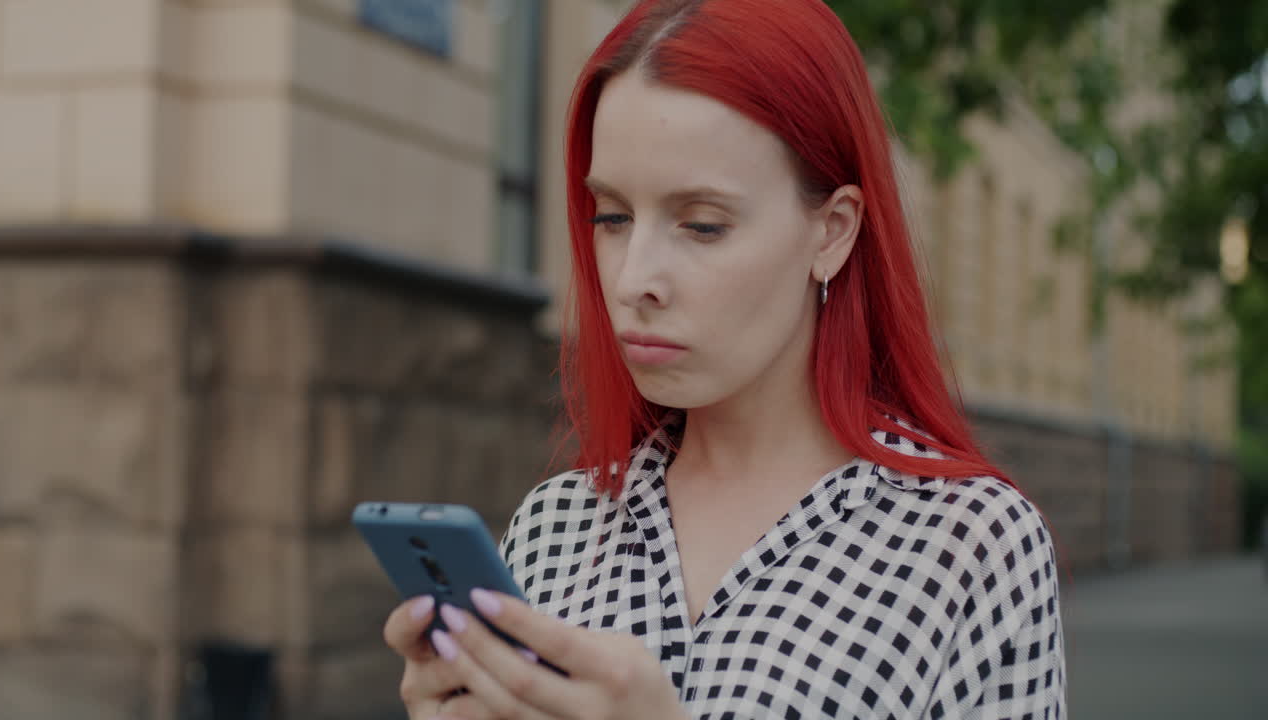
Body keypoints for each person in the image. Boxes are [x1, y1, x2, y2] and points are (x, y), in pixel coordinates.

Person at [383, 0, 1066, 717]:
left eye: (702, 225)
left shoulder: (967, 543)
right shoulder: (559, 526)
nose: (632, 278)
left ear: (832, 232)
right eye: (611, 217)